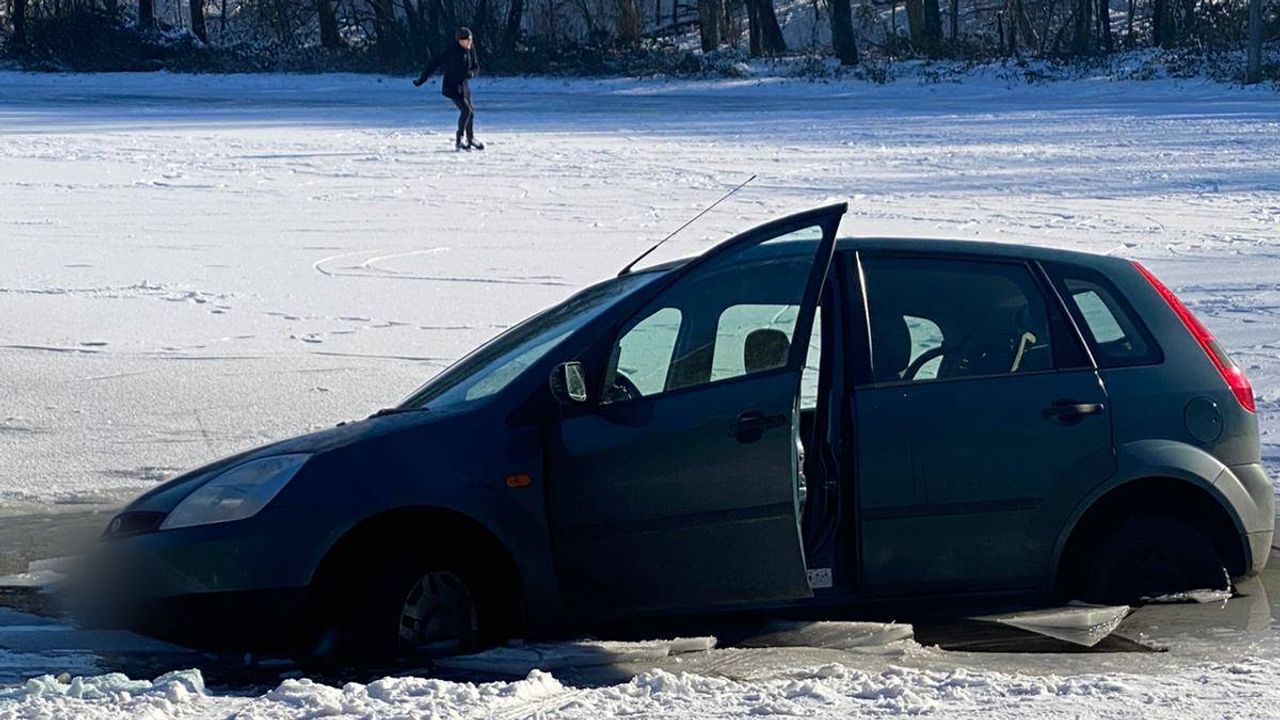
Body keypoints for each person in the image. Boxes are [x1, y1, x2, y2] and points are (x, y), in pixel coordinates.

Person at [413, 27, 485, 152]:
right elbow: (434, 63)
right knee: (466, 110)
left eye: (470, 39)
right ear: (459, 41)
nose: (469, 42)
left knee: (470, 112)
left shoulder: (470, 49)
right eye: (466, 40)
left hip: (463, 85)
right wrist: (422, 79)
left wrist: (472, 73)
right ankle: (459, 140)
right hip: (452, 86)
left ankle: (471, 138)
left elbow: (476, 66)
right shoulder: (452, 52)